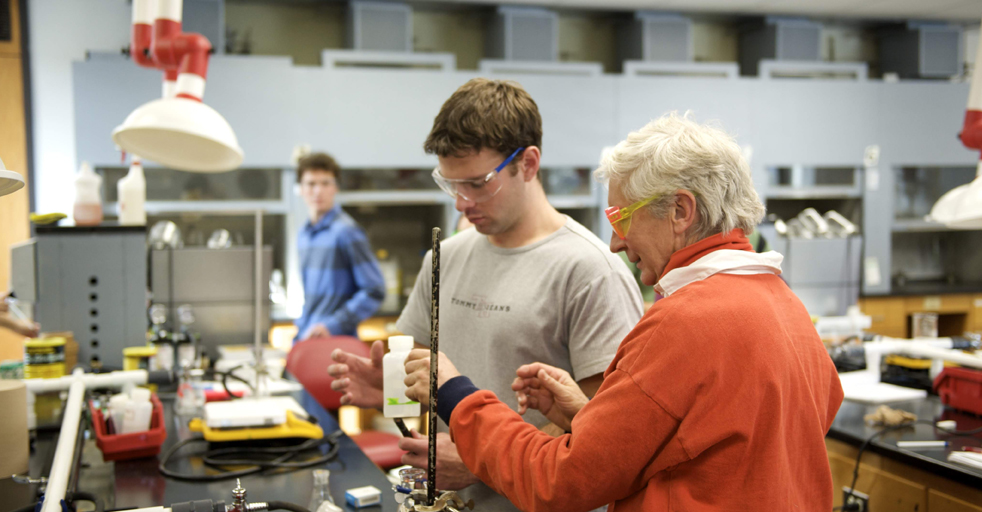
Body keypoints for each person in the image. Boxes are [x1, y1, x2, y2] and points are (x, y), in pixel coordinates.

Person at [403, 112, 844, 512]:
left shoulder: (685, 320)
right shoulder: (784, 305)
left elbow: (557, 482)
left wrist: (457, 395)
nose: (615, 242)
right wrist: (587, 418)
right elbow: (721, 442)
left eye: (622, 218)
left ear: (680, 211)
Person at [328, 78, 643, 511]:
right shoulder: (446, 257)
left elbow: (601, 427)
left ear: (528, 163)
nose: (461, 202)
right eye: (451, 184)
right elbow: (427, 377)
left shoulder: (590, 270)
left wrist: (483, 461)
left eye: (478, 183)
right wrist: (389, 392)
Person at [294, 152, 386, 341]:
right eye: (311, 184)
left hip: (338, 343)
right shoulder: (303, 235)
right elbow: (311, 300)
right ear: (301, 189)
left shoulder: (346, 231)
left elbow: (375, 290)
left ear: (335, 187)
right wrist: (302, 328)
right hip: (308, 338)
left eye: (325, 183)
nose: (318, 191)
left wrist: (332, 325)